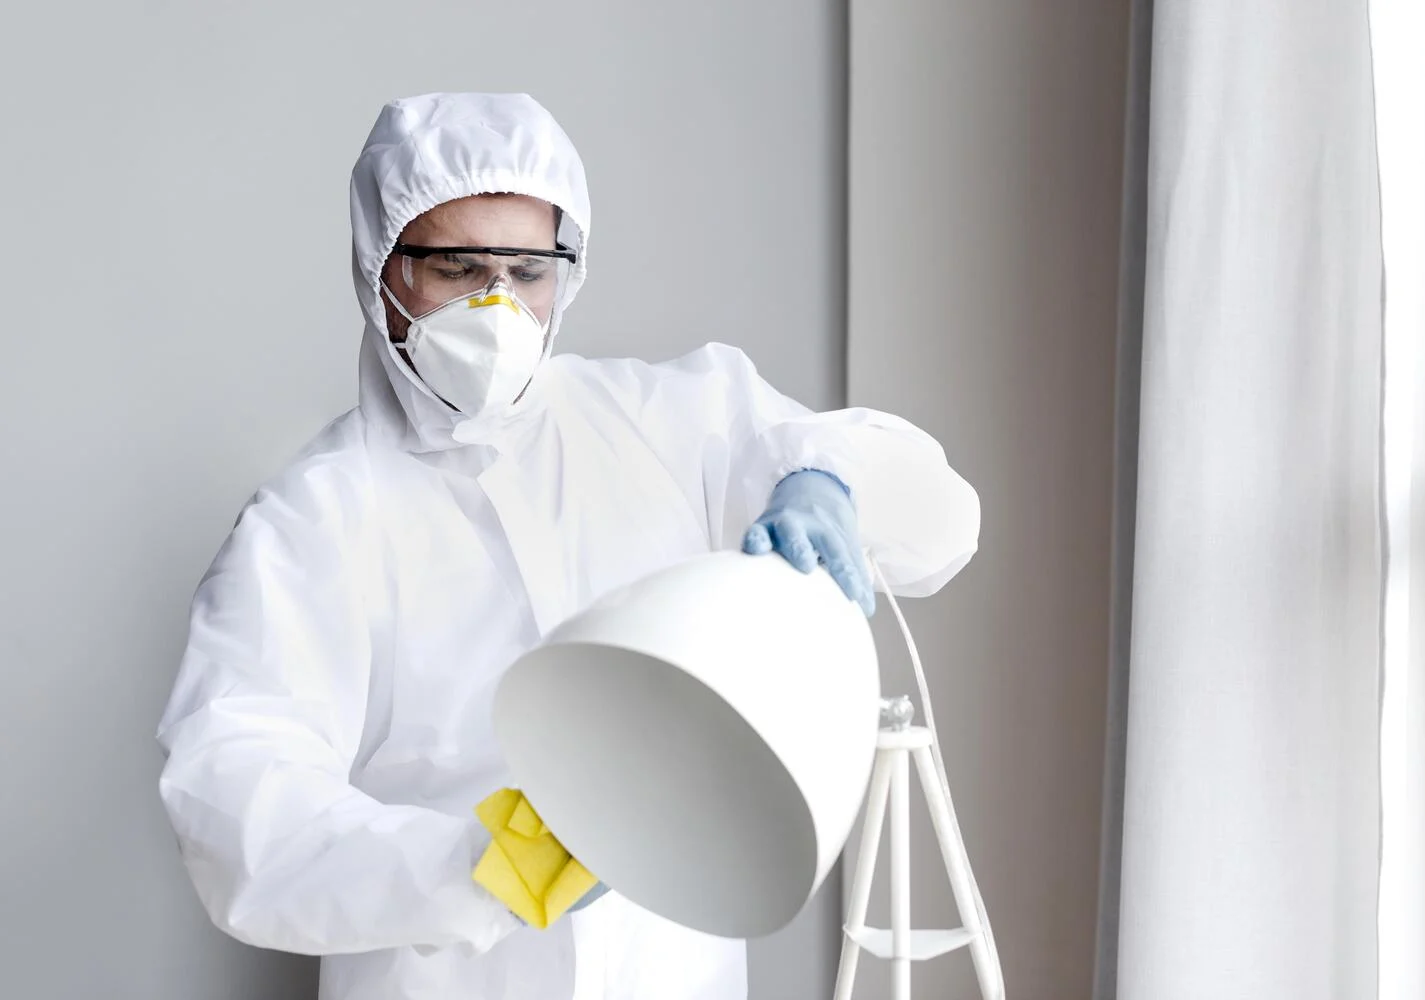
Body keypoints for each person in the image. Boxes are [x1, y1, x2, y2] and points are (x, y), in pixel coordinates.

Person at [156, 92, 980, 1000]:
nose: (498, 303)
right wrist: (492, 864)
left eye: (528, 269)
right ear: (381, 269)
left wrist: (827, 478)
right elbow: (236, 806)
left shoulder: (665, 422)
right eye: (458, 267)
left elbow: (940, 529)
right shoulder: (312, 522)